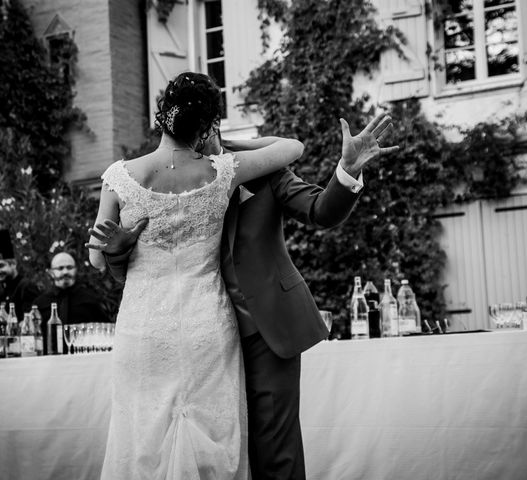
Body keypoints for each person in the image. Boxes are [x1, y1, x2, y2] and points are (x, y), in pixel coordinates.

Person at [95, 112, 399, 478]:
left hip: (262, 331)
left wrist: (346, 170)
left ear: (211, 127)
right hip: (199, 342)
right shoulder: (156, 176)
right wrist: (115, 250)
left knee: (274, 452)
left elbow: (319, 211)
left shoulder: (260, 166)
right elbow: (136, 267)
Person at [87, 71, 305, 479]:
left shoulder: (118, 177)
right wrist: (227, 146)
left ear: (160, 114)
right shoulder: (222, 171)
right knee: (211, 438)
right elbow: (292, 146)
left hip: (143, 328)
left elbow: (98, 260)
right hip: (207, 326)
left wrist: (113, 248)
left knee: (142, 439)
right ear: (206, 125)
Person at [34, 252, 111, 351]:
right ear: (51, 272)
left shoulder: (90, 299)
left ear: (76, 270)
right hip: (48, 360)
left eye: (69, 267)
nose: (65, 272)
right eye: (60, 268)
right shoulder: (39, 303)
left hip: (84, 360)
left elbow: (105, 331)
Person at [0, 229, 40, 321]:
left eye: (1, 266)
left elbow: (30, 323)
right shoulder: (0, 290)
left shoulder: (26, 287)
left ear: (13, 264)